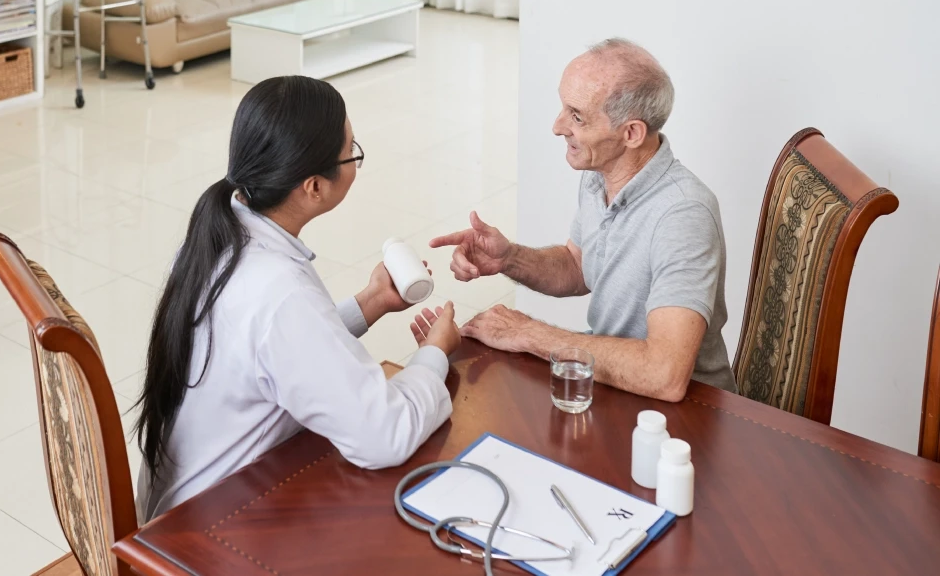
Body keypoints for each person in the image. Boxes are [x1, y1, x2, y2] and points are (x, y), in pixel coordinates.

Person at [134, 76, 460, 522]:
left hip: (181, 505)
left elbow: (279, 354)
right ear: (313, 187)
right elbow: (382, 436)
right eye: (352, 154)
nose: (355, 163)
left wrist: (371, 302)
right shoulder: (280, 289)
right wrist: (434, 355)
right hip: (216, 530)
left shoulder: (217, 235)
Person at [431, 38, 737, 401]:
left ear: (631, 133)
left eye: (577, 116)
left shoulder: (683, 215)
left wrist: (529, 333)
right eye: (563, 108)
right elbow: (579, 266)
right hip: (614, 388)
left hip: (688, 415)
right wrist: (508, 258)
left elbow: (663, 375)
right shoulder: (599, 173)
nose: (557, 126)